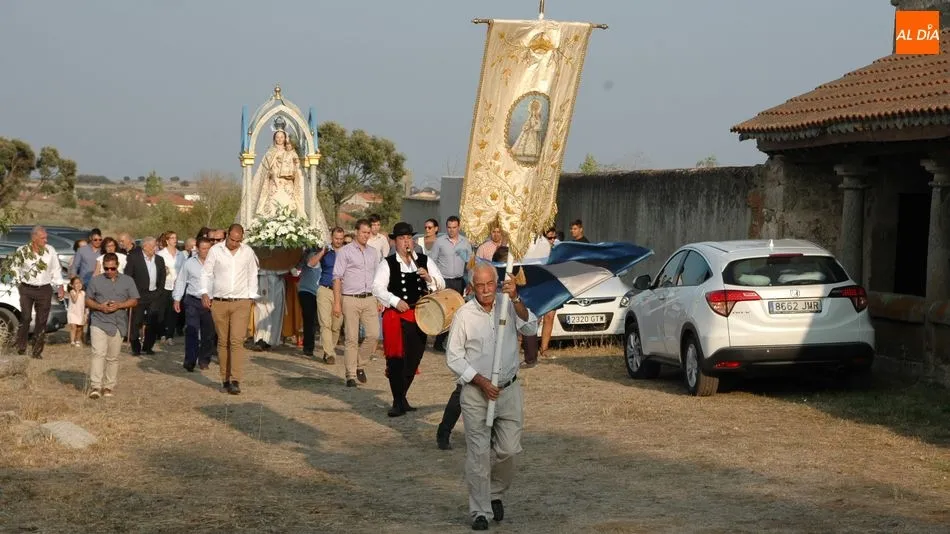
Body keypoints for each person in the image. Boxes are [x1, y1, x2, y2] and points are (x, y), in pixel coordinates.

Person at [445, 262, 537, 530]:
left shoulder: (508, 303)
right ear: (472, 287)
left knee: (509, 450)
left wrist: (517, 298)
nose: (485, 291)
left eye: (490, 284)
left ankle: (494, 492)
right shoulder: (464, 315)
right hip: (476, 393)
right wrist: (481, 381)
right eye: (479, 286)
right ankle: (480, 511)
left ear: (496, 283)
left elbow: (530, 328)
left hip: (509, 390)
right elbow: (454, 357)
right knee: (479, 453)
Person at [372, 222, 445, 417]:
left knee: (414, 358)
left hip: (418, 315)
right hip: (395, 316)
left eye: (408, 238)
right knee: (396, 359)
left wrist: (429, 278)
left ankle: (402, 396)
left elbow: (441, 284)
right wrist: (395, 301)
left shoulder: (423, 260)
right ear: (395, 241)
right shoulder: (387, 263)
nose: (406, 242)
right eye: (402, 238)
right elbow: (377, 287)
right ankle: (398, 401)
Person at [200, 224, 259, 395]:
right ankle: (224, 378)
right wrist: (205, 292)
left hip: (241, 301)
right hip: (219, 301)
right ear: (227, 235)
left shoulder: (247, 252)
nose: (234, 243)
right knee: (223, 341)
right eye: (232, 239)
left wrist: (251, 297)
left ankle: (235, 379)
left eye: (238, 241)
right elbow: (207, 273)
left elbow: (252, 274)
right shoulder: (216, 251)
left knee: (236, 340)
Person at [332, 218, 380, 387]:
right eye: (363, 232)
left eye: (368, 233)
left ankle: (361, 363)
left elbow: (377, 278)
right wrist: (337, 303)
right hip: (350, 298)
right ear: (356, 232)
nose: (366, 235)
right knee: (351, 338)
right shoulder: (345, 252)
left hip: (369, 298)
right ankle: (350, 374)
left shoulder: (373, 253)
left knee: (373, 334)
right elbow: (337, 278)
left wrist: (379, 298)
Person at [85, 253, 139, 399]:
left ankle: (108, 387)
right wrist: (99, 306)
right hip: (99, 321)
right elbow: (87, 300)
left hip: (118, 323)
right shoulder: (95, 281)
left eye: (112, 268)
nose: (109, 271)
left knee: (112, 357)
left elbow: (134, 300)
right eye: (106, 268)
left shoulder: (128, 281)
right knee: (98, 353)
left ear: (117, 266)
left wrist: (120, 305)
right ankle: (96, 386)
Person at [12, 226, 65, 358]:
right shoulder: (22, 251)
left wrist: (60, 286)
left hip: (44, 289)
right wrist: (19, 282)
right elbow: (15, 268)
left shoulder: (50, 250)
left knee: (42, 320)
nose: (46, 240)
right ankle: (21, 347)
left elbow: (55, 269)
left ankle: (36, 351)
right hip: (26, 289)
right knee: (26, 317)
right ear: (34, 238)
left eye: (46, 237)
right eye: (43, 238)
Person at [429, 215, 471, 352]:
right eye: (449, 227)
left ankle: (452, 342)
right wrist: (434, 282)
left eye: (454, 227)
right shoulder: (440, 242)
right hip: (444, 281)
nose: (451, 230)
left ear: (458, 227)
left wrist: (471, 282)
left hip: (459, 281)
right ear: (446, 227)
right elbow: (432, 262)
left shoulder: (465, 243)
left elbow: (470, 264)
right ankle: (439, 341)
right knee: (444, 312)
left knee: (457, 311)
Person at [173, 237, 215, 372]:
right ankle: (190, 360)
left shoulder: (216, 264)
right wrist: (177, 298)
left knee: (208, 333)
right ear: (197, 248)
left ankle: (204, 360)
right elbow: (181, 281)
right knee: (192, 330)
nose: (206, 251)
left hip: (211, 302)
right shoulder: (189, 263)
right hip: (193, 300)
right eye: (203, 248)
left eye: (208, 248)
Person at [250, 129, 307, 222]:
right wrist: (272, 173)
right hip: (274, 184)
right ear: (274, 139)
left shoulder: (291, 152)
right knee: (272, 205)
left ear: (285, 138)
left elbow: (297, 167)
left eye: (281, 137)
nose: (279, 139)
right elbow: (265, 169)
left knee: (288, 205)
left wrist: (293, 170)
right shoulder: (270, 152)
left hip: (287, 183)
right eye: (277, 137)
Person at [124, 236, 166, 356]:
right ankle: (135, 347)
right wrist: (131, 293)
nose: (155, 248)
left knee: (153, 322)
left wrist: (159, 292)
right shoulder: (134, 258)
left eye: (156, 246)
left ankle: (148, 346)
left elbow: (162, 277)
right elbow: (128, 276)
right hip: (138, 295)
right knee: (136, 322)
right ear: (145, 246)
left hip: (154, 294)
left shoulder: (159, 259)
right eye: (153, 246)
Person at [316, 227, 345, 364]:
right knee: (325, 323)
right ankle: (330, 354)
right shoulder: (326, 251)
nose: (338, 241)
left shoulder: (348, 252)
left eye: (341, 239)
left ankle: (329, 349)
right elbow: (311, 264)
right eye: (336, 238)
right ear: (331, 237)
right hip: (325, 289)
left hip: (341, 292)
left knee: (336, 325)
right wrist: (322, 252)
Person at [157, 230, 186, 345]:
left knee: (173, 311)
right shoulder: (161, 254)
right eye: (172, 238)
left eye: (176, 237)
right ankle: (162, 334)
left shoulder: (181, 254)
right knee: (162, 310)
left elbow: (183, 270)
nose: (175, 240)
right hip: (165, 285)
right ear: (167, 240)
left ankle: (170, 336)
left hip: (177, 286)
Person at [296, 244, 322, 359]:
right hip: (306, 290)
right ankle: (308, 347)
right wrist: (322, 252)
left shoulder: (330, 254)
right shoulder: (308, 253)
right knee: (309, 318)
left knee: (321, 321)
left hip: (321, 291)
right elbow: (310, 263)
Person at [66, 276, 86, 347]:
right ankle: (72, 341)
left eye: (79, 283)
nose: (78, 284)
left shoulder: (83, 293)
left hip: (80, 313)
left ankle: (77, 340)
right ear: (72, 285)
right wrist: (77, 291)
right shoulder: (72, 292)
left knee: (79, 328)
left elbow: (84, 304)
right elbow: (74, 300)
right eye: (76, 283)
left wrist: (86, 313)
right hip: (72, 313)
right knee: (73, 327)